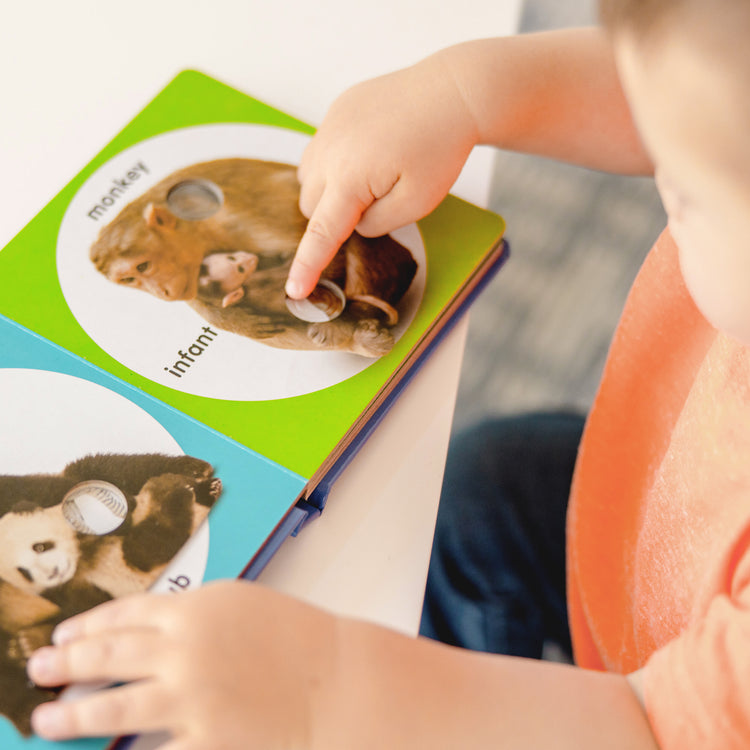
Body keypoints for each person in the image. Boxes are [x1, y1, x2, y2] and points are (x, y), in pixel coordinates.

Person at [25, 0, 750, 746]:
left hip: (652, 705)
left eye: (688, 190)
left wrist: (324, 686)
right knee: (489, 483)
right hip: (657, 503)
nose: (664, 191)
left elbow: (654, 729)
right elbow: (666, 89)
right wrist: (466, 92)